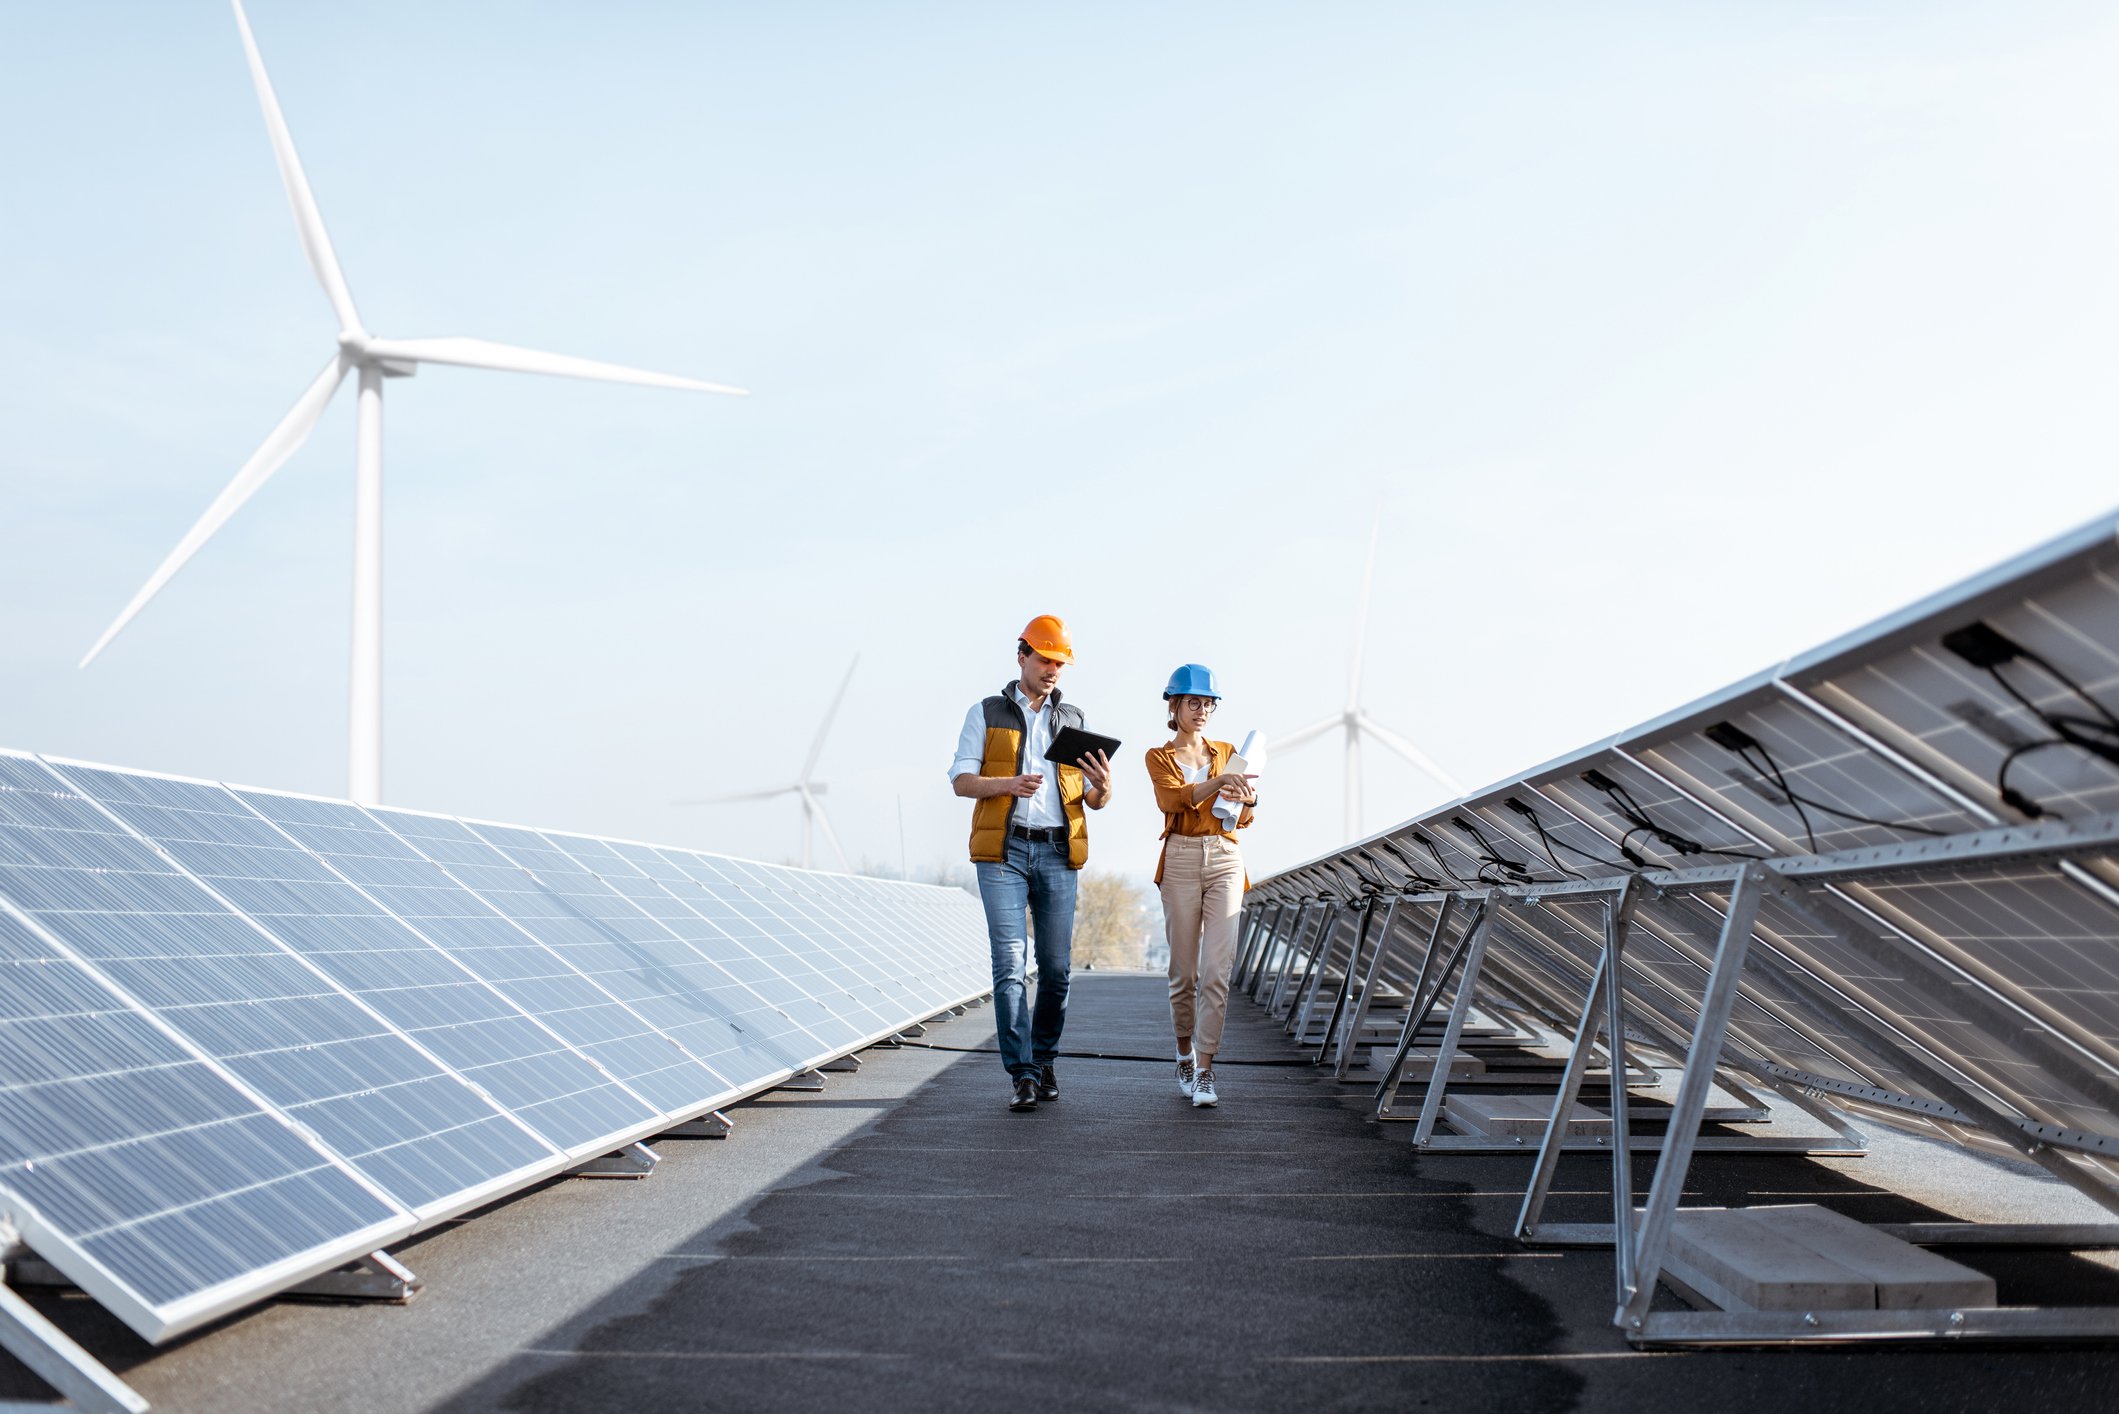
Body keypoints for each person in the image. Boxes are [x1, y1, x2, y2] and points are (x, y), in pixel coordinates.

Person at [950, 615, 1113, 1111]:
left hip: (1059, 851)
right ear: (1021, 656)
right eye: (1045, 659)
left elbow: (1090, 797)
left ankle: (1043, 1060)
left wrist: (1103, 789)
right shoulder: (986, 712)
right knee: (1010, 966)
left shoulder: (1074, 720)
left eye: (1060, 663)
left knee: (1058, 969)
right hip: (1004, 851)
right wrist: (1007, 784)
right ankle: (1020, 1072)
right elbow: (960, 780)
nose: (1053, 670)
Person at [1144, 664, 1255, 1108]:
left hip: (1225, 856)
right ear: (1174, 706)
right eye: (1194, 702)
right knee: (1184, 974)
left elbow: (1243, 818)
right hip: (1181, 859)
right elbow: (1171, 800)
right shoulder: (1159, 756)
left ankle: (1206, 1070)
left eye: (1208, 703)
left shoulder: (1227, 752)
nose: (1202, 710)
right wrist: (1218, 782)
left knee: (1217, 972)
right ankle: (1184, 1052)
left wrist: (1246, 800)